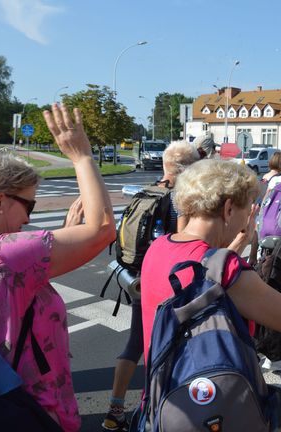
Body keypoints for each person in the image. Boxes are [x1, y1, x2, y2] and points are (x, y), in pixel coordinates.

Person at [0, 104, 116, 431]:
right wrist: (82, 157)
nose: (29, 219)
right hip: (29, 413)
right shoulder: (3, 256)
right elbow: (102, 228)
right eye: (27, 205)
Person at [140, 159, 281, 367]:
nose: (249, 219)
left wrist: (240, 241)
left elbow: (202, 275)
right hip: (215, 394)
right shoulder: (229, 269)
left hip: (163, 389)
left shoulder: (158, 246)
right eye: (249, 209)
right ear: (229, 209)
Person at [102, 140, 199, 432]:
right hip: (168, 282)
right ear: (187, 168)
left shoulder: (146, 192)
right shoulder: (180, 199)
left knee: (135, 343)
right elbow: (183, 243)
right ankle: (159, 411)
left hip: (139, 278)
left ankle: (114, 408)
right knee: (172, 347)